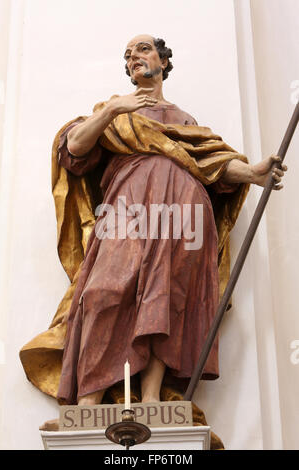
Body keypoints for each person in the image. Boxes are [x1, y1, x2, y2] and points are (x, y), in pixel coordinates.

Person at [20, 34, 286, 432]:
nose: (133, 58)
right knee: (102, 291)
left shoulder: (184, 120)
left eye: (142, 50)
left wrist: (253, 173)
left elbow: (211, 160)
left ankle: (150, 400)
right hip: (128, 206)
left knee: (166, 294)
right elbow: (74, 149)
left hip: (183, 208)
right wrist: (113, 109)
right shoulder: (115, 112)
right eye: (127, 55)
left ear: (163, 60)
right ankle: (87, 404)